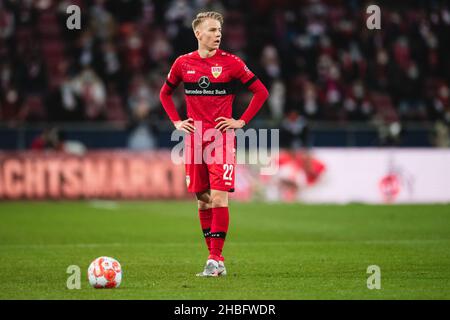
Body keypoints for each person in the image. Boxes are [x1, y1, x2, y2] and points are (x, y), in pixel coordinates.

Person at [159, 11, 269, 276]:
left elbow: (261, 92)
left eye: (219, 30)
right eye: (211, 30)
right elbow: (165, 93)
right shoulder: (183, 63)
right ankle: (215, 262)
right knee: (203, 200)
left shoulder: (231, 63)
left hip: (221, 139)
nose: (217, 34)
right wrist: (176, 121)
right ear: (198, 33)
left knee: (220, 196)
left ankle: (214, 258)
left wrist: (240, 122)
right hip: (194, 139)